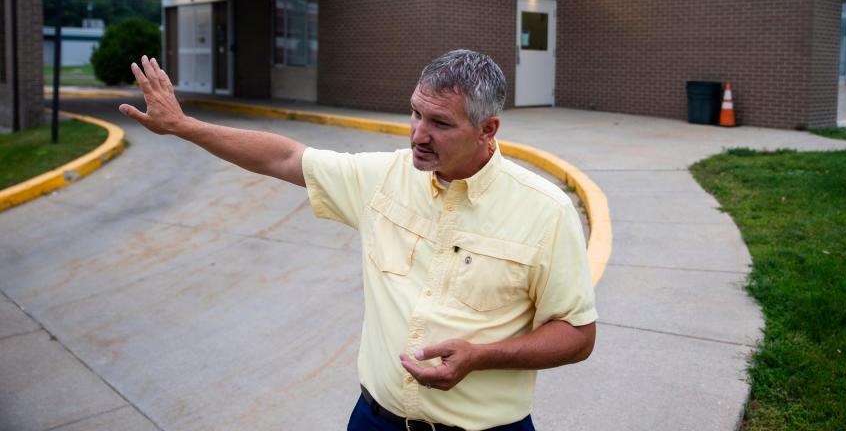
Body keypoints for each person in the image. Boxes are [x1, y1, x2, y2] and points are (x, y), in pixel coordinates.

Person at [119, 49, 597, 431]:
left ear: (487, 130)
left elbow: (577, 336)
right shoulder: (383, 178)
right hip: (375, 420)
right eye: (415, 114)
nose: (418, 135)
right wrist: (183, 126)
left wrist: (481, 357)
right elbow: (284, 158)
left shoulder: (545, 212)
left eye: (440, 124)